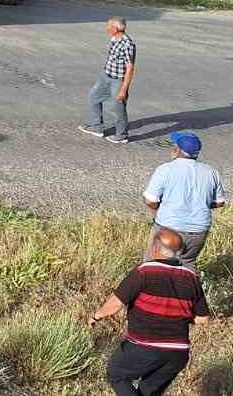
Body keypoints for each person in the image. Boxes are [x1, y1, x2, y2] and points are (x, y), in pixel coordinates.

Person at [89, 227, 211, 396]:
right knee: (147, 392)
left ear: (154, 248)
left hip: (144, 346)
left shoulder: (144, 272)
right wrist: (178, 314)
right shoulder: (191, 278)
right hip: (178, 353)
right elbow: (202, 319)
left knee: (117, 374)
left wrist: (97, 315)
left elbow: (116, 304)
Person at [143, 131, 225, 268]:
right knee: (187, 265)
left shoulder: (166, 169)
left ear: (177, 150)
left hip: (168, 228)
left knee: (154, 265)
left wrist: (156, 214)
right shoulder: (211, 172)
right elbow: (219, 202)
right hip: (198, 231)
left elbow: (150, 200)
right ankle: (189, 288)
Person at [79, 17, 136, 144]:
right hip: (105, 76)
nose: (107, 29)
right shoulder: (114, 38)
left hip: (118, 80)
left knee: (118, 107)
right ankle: (96, 127)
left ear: (115, 29)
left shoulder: (127, 44)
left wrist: (123, 89)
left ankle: (122, 135)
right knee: (93, 97)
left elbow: (130, 67)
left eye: (109, 27)